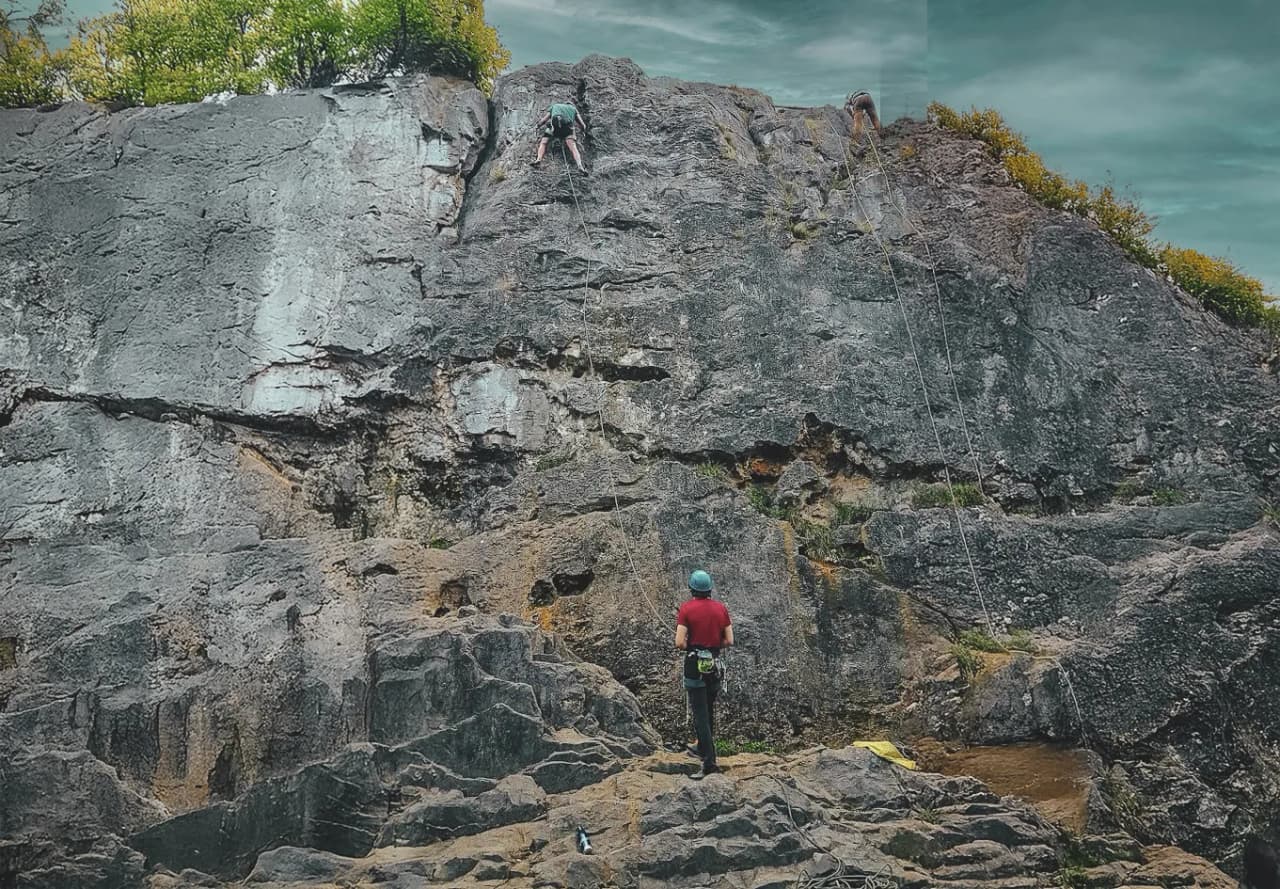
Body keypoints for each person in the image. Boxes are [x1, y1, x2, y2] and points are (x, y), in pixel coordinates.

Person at [675, 569, 733, 779]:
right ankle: (701, 746)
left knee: (699, 714)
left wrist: (693, 645)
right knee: (708, 709)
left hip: (695, 664)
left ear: (692, 589)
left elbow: (679, 642)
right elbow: (729, 640)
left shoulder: (687, 609)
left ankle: (709, 763)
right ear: (709, 589)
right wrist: (712, 646)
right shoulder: (721, 609)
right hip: (715, 665)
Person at [533, 100, 586, 172]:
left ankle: (538, 159)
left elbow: (544, 120)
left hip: (554, 128)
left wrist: (538, 126)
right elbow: (582, 124)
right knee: (573, 147)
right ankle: (580, 165)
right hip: (567, 129)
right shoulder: (573, 109)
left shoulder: (555, 106)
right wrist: (583, 131)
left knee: (543, 143)